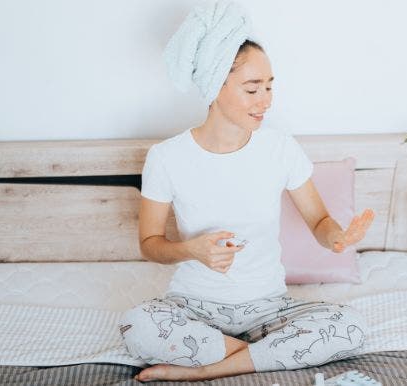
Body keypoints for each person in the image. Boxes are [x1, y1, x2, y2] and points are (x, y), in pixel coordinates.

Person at [117, 1, 375, 382]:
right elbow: (149, 243)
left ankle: (201, 370)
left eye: (269, 87)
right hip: (193, 309)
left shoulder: (279, 148)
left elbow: (319, 219)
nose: (266, 100)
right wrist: (191, 249)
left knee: (351, 326)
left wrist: (336, 237)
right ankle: (262, 357)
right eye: (252, 89)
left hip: (269, 309)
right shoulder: (167, 157)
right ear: (214, 85)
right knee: (136, 325)